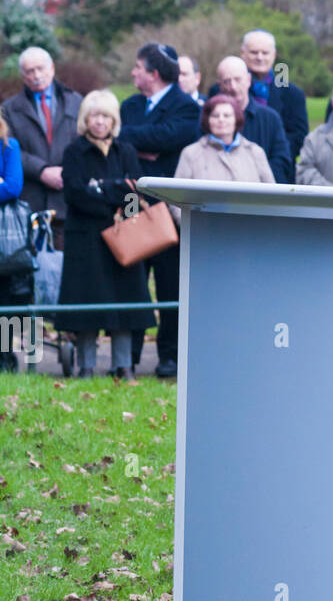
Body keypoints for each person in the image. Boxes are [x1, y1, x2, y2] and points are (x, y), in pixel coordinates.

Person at [58, 91, 155, 380]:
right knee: (88, 304)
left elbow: (134, 194)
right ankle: (85, 366)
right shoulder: (74, 152)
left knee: (123, 302)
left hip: (122, 237)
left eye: (105, 116)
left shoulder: (125, 151)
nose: (99, 122)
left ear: (114, 120)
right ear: (85, 119)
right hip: (85, 240)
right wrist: (113, 191)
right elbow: (75, 195)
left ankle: (124, 366)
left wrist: (101, 188)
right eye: (94, 116)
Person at [119, 42, 199, 377]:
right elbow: (121, 140)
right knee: (132, 280)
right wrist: (146, 142)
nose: (133, 73)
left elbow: (171, 138)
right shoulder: (130, 105)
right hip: (132, 200)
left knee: (169, 284)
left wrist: (143, 142)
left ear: (153, 73)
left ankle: (169, 355)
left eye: (138, 68)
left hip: (169, 208)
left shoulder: (186, 107)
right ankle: (129, 354)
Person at [2, 46, 82, 251]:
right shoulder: (10, 109)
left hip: (68, 200)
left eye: (40, 68)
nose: (36, 75)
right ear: (22, 75)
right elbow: (8, 148)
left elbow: (84, 144)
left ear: (52, 68)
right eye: (29, 71)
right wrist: (42, 170)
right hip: (30, 202)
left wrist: (68, 170)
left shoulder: (74, 101)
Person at [172, 95, 275, 205]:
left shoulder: (255, 152)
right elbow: (176, 199)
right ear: (207, 120)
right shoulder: (191, 153)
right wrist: (194, 221)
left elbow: (273, 195)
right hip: (203, 221)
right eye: (215, 116)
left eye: (227, 115)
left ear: (236, 119)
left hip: (251, 221)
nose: (221, 119)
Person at [213, 56, 293, 185]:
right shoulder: (209, 120)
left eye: (238, 80)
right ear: (219, 85)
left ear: (248, 80)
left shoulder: (270, 119)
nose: (233, 87)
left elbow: (281, 162)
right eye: (227, 81)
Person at [240, 29, 309, 172]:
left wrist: (270, 159)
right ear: (243, 53)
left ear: (274, 55)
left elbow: (298, 136)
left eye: (265, 53)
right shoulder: (224, 91)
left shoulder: (293, 94)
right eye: (254, 52)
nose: (260, 57)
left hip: (279, 171)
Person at [0, 108, 29, 372]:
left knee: (6, 298)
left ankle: (5, 356)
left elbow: (12, 187)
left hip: (4, 238)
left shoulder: (8, 145)